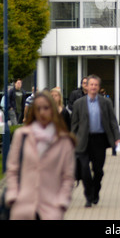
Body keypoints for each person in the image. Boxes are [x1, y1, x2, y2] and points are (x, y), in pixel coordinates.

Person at [5, 90, 76, 220]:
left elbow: (67, 176)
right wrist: (13, 195)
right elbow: (12, 169)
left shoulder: (63, 140)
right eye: (38, 108)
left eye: (46, 108)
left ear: (53, 110)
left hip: (51, 208)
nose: (42, 112)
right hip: (23, 206)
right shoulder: (22, 135)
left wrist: (62, 202)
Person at [71, 74, 120, 208]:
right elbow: (74, 125)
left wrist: (117, 137)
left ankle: (96, 191)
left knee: (98, 171)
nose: (93, 87)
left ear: (99, 87)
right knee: (85, 171)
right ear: (86, 86)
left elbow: (112, 121)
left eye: (96, 85)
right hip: (83, 141)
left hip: (99, 141)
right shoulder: (79, 103)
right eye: (91, 84)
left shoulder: (106, 102)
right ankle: (88, 196)